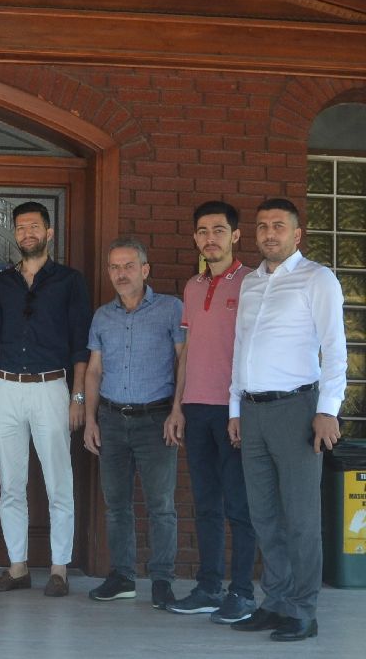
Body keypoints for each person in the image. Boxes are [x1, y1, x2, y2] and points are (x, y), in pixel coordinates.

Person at [228, 198, 346, 642]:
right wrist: (235, 409)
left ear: (297, 234)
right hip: (253, 411)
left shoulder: (318, 278)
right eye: (262, 226)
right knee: (264, 515)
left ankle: (302, 609)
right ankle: (275, 601)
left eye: (278, 225)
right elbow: (240, 349)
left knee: (300, 518)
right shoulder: (251, 282)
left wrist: (327, 410)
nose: (269, 233)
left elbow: (335, 348)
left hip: (297, 410)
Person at [0, 201, 90, 597]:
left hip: (51, 387)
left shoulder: (70, 281)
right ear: (15, 234)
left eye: (34, 227)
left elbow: (81, 344)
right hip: (5, 387)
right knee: (11, 484)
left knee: (58, 482)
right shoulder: (5, 283)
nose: (27, 233)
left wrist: (78, 396)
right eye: (21, 228)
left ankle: (59, 570)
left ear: (49, 232)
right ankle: (18, 568)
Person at [163, 201, 257, 623]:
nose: (209, 238)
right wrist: (177, 407)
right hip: (196, 408)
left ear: (235, 235)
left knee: (239, 505)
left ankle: (242, 593)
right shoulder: (192, 286)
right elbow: (186, 352)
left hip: (234, 411)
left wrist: (242, 410)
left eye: (218, 230)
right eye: (202, 231)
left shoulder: (253, 283)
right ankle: (209, 587)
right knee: (205, 505)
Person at [82, 237, 183, 609]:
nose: (120, 274)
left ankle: (162, 581)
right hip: (111, 419)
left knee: (161, 505)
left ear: (145, 269)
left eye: (128, 266)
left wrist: (178, 410)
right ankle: (123, 577)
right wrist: (90, 419)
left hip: (156, 419)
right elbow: (94, 371)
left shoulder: (171, 309)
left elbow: (184, 362)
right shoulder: (102, 316)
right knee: (116, 505)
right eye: (114, 267)